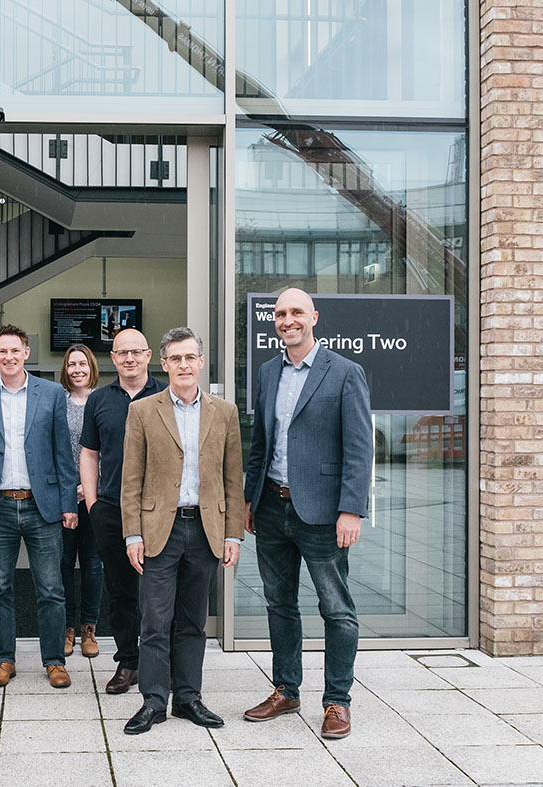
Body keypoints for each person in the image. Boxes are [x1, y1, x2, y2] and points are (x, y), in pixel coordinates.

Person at [242, 288, 373, 740]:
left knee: (336, 610)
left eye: (296, 311)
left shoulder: (345, 372)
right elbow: (260, 442)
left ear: (313, 317)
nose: (287, 319)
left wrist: (351, 510)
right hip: (272, 507)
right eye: (280, 313)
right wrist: (250, 498)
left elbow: (360, 447)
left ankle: (337, 701)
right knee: (279, 604)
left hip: (322, 512)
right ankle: (286, 689)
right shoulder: (267, 371)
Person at [120, 327, 245, 735]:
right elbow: (131, 479)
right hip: (160, 530)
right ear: (164, 363)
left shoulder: (224, 412)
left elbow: (232, 478)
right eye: (175, 358)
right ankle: (154, 702)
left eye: (190, 357)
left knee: (192, 621)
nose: (184, 365)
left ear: (201, 362)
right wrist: (132, 534)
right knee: (155, 621)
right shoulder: (142, 411)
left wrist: (233, 534)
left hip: (206, 529)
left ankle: (188, 698)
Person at [0, 324, 78, 690]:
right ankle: (4, 660)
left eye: (15, 350)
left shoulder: (52, 393)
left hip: (41, 506)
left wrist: (67, 502)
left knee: (51, 589)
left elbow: (63, 453)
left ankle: (54, 662)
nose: (9, 357)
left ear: (26, 353)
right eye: (2, 351)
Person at [78, 328, 166, 693]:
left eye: (136, 352)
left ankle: (162, 664)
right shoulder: (99, 400)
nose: (129, 358)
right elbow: (89, 453)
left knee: (160, 590)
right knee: (121, 591)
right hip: (112, 509)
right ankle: (128, 662)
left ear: (148, 356)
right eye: (121, 353)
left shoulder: (166, 393)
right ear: (112, 359)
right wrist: (95, 504)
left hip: (160, 510)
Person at [59, 344, 103, 658]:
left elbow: (111, 449)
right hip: (62, 497)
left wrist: (88, 488)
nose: (77, 369)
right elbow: (52, 451)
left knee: (92, 564)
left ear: (91, 367)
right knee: (62, 564)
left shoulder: (103, 400)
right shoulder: (56, 402)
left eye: (83, 364)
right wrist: (69, 488)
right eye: (72, 364)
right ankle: (66, 627)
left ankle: (90, 628)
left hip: (95, 497)